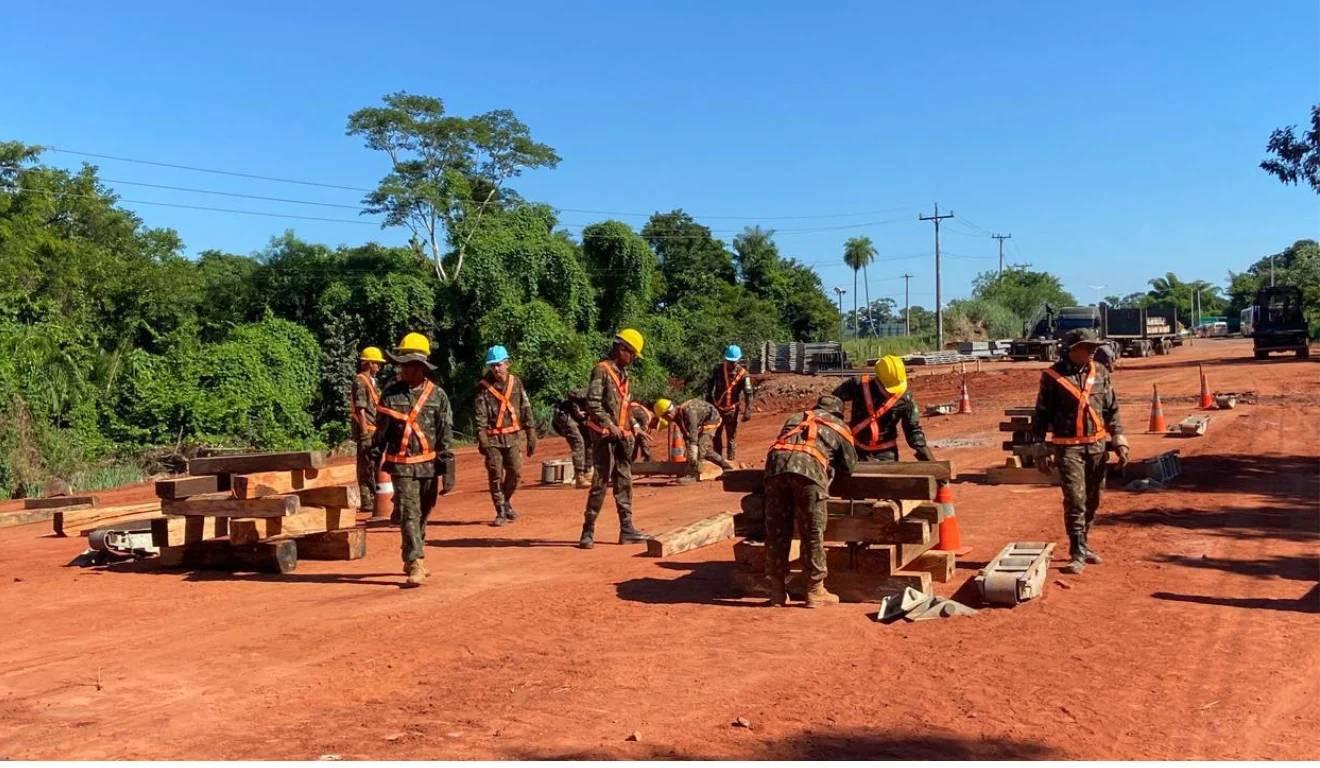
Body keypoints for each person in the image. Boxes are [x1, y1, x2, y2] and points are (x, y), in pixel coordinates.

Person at [1032, 328, 1129, 575]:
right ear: (1072, 349)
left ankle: (1084, 545)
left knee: (1093, 499)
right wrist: (1040, 447)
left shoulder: (1101, 372)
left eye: (1094, 346)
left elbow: (1112, 409)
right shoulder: (1053, 376)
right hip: (1068, 448)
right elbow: (1041, 414)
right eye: (1087, 347)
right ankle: (1076, 552)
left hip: (1097, 446)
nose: (1093, 351)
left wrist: (1119, 439)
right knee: (1076, 500)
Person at [370, 332, 455, 587]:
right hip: (402, 466)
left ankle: (411, 552)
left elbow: (445, 434)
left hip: (429, 465)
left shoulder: (438, 396)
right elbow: (380, 434)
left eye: (410, 365)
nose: (405, 370)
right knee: (409, 512)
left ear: (421, 367)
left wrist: (448, 470)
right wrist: (371, 463)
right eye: (403, 365)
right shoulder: (391, 395)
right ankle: (416, 560)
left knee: (423, 513)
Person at [763, 395, 858, 608]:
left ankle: (777, 591)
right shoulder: (839, 426)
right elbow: (850, 467)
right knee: (812, 532)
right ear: (838, 412)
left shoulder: (795, 417)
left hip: (775, 470)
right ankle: (815, 590)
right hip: (808, 472)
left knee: (777, 531)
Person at [579, 329, 651, 549]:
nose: (632, 360)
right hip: (604, 437)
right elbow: (593, 403)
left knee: (624, 482)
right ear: (622, 349)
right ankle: (588, 530)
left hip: (622, 438)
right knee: (600, 483)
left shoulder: (624, 375)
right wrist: (610, 426)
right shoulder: (602, 370)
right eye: (631, 354)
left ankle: (627, 529)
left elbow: (625, 407)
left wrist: (635, 427)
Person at [474, 345, 536, 527]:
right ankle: (500, 510)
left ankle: (506, 500)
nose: (495, 369)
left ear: (507, 364)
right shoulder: (483, 387)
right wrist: (482, 439)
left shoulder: (516, 383)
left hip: (513, 437)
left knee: (516, 473)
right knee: (495, 474)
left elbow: (525, 407)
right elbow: (480, 416)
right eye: (492, 365)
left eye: (498, 364)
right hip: (492, 439)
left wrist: (531, 432)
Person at [831, 355, 935, 463]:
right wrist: (838, 426)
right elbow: (832, 401)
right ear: (879, 378)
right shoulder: (858, 385)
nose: (892, 392)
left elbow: (913, 431)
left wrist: (931, 463)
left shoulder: (905, 399)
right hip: (854, 449)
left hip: (885, 453)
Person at [654, 397, 734, 480]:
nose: (666, 420)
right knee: (706, 451)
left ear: (668, 413)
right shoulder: (678, 416)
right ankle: (727, 468)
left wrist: (692, 451)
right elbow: (686, 434)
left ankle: (693, 474)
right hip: (701, 422)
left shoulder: (689, 412)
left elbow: (693, 434)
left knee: (700, 447)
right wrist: (689, 451)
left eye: (664, 417)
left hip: (711, 420)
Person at [350, 346, 385, 519]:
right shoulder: (360, 381)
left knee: (373, 465)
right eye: (377, 363)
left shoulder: (371, 381)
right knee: (365, 466)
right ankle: (367, 500)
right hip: (368, 429)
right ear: (369, 363)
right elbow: (361, 409)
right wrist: (364, 434)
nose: (379, 366)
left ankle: (375, 497)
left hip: (374, 428)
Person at [705, 344, 753, 461]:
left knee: (731, 438)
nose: (731, 364)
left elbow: (748, 393)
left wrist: (748, 410)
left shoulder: (743, 375)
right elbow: (709, 386)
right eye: (729, 361)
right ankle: (718, 461)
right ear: (725, 359)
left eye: (733, 361)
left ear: (738, 360)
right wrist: (709, 402)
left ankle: (730, 461)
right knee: (716, 436)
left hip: (732, 411)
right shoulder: (717, 370)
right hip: (717, 409)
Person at [552, 389, 593, 489]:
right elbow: (570, 393)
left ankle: (587, 472)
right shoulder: (591, 392)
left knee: (589, 439)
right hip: (565, 416)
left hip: (577, 419)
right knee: (578, 442)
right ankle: (579, 477)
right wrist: (576, 409)